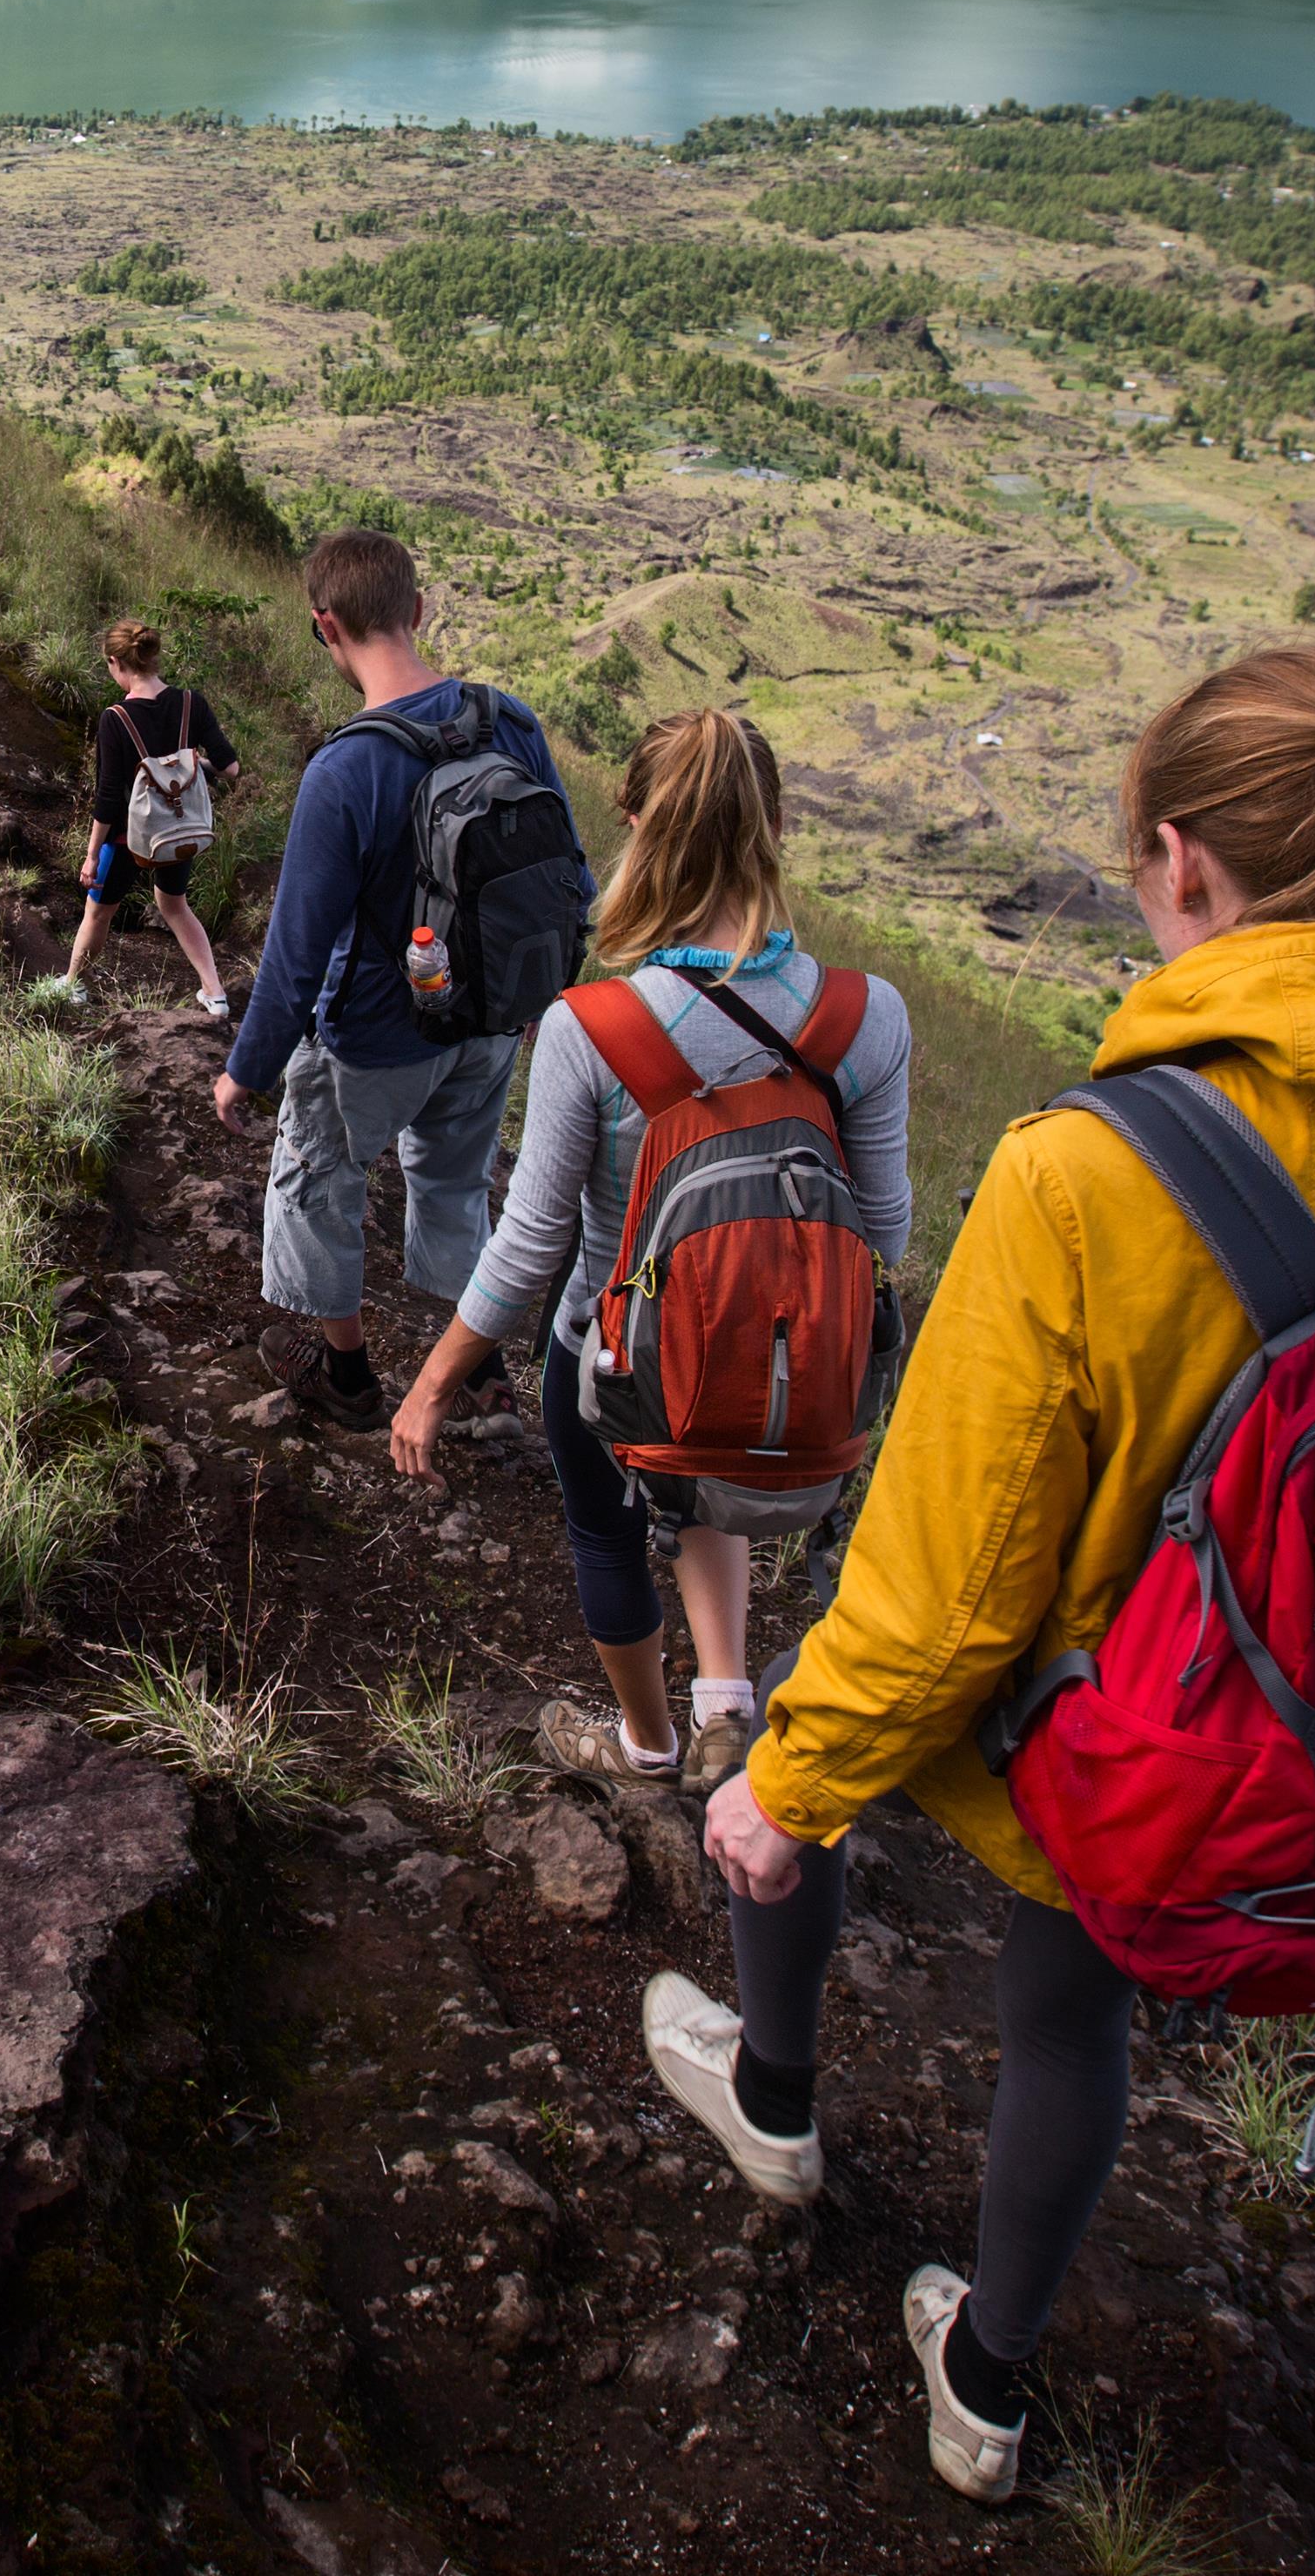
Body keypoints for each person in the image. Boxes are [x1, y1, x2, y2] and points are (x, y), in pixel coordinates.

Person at [677, 644, 1315, 2505]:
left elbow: (946, 1590)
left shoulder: (1088, 1174)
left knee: (839, 1769)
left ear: (1183, 865)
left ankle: (777, 2101)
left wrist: (788, 1791)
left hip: (1126, 1759)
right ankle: (990, 2381)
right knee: (1074, 2015)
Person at [385, 709, 910, 1813]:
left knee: (607, 1525)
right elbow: (888, 1230)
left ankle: (647, 1738)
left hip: (612, 1356)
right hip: (777, 1363)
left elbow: (530, 1242)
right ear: (778, 826)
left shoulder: (594, 1023)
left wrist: (432, 1383)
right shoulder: (868, 1018)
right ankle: (729, 1703)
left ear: (633, 825)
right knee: (710, 1478)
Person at [211, 528, 572, 1430]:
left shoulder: (346, 769)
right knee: (453, 1181)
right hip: (491, 1025)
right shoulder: (510, 721)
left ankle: (347, 1372)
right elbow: (570, 881)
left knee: (317, 1176)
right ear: (417, 609)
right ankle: (478, 1375)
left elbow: (297, 954)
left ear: (324, 625)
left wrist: (246, 1069)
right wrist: (534, 998)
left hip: (376, 1038)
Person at [57, 618, 239, 1017]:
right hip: (181, 831)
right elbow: (230, 769)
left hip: (129, 839)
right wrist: (190, 765)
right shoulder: (192, 703)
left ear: (115, 662)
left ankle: (72, 985)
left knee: (99, 911)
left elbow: (107, 798)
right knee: (174, 905)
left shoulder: (115, 719)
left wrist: (91, 856)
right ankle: (215, 994)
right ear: (154, 658)